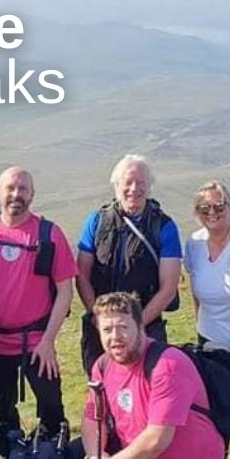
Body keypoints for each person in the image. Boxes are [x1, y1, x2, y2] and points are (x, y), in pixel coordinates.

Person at [66, 292, 225, 459]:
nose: (115, 337)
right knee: (77, 454)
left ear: (141, 326)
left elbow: (156, 440)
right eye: (107, 329)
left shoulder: (168, 365)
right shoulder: (103, 364)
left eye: (122, 327)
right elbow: (93, 419)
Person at [0, 166, 76, 459]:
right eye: (11, 188)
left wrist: (48, 340)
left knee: (52, 406)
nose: (17, 195)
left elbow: (66, 290)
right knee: (2, 410)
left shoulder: (49, 235)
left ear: (32, 194)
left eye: (23, 189)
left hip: (36, 343)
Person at [76, 154, 182, 374]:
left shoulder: (164, 227)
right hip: (100, 330)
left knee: (145, 388)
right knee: (101, 390)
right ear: (117, 186)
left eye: (141, 183)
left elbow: (169, 288)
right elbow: (82, 275)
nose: (134, 188)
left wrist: (135, 325)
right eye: (128, 182)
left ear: (149, 187)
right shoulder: (96, 222)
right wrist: (100, 319)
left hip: (146, 328)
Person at [184, 181, 230, 365]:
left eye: (219, 207)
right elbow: (195, 290)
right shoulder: (194, 243)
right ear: (197, 212)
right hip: (208, 341)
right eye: (204, 208)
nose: (212, 213)